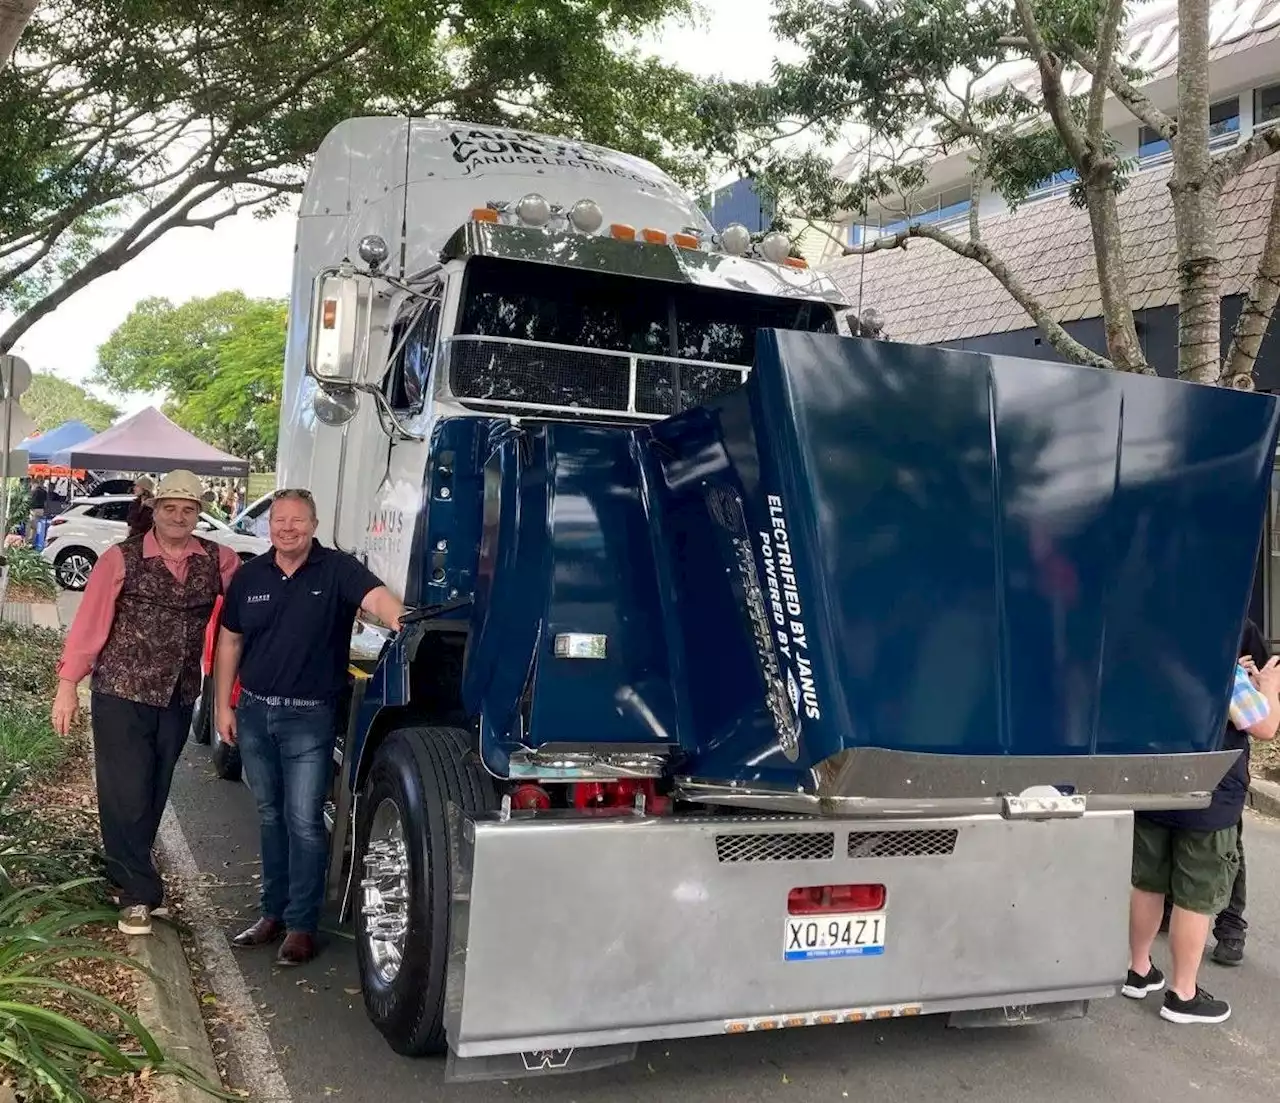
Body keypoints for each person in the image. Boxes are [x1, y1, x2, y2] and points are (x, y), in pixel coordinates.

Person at [214, 488, 404, 965]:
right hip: (255, 712)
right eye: (280, 520)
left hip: (309, 717)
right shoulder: (250, 576)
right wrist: (223, 707)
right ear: (269, 525)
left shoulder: (337, 570)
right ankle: (270, 914)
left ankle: (300, 925)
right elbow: (230, 643)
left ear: (314, 525)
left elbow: (379, 599)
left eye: (298, 520)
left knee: (304, 821)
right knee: (270, 815)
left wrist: (407, 622)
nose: (288, 528)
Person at [52, 470, 240, 936]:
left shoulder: (222, 559)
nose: (179, 517)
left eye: (189, 509)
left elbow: (248, 614)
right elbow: (90, 625)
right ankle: (136, 894)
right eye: (170, 507)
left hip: (178, 695)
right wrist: (67, 686)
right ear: (154, 510)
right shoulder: (121, 558)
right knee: (125, 791)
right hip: (121, 690)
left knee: (154, 788)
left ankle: (130, 876)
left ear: (200, 514)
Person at [1124, 618, 1280, 1024]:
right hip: (1208, 790)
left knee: (1148, 882)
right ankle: (1182, 994)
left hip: (1153, 781)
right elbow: (1264, 727)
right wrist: (1269, 688)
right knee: (1195, 895)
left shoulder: (1143, 650)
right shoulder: (1216, 664)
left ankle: (1137, 970)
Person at [26, 478, 48, 545]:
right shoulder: (44, 491)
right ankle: (36, 541)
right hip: (41, 510)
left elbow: (30, 502)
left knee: (32, 527)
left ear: (34, 484)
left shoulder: (33, 492)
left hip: (34, 510)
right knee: (39, 527)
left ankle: (30, 542)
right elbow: (46, 502)